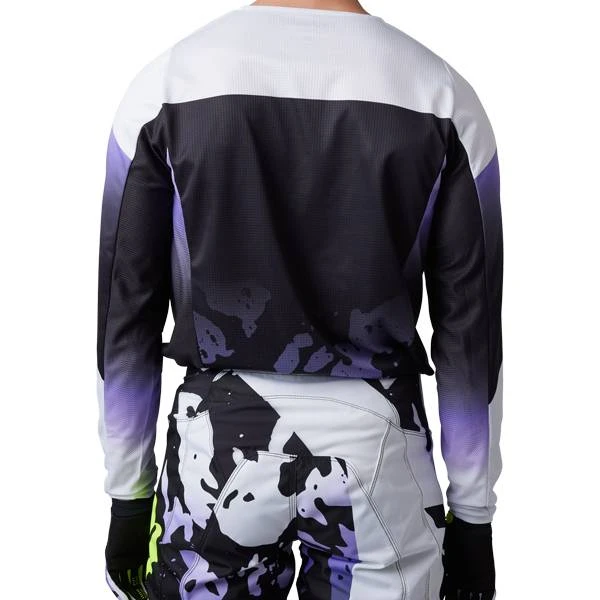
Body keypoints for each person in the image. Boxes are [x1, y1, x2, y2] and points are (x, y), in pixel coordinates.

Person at [96, 1, 503, 598]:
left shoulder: (167, 86)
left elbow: (126, 313)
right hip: (378, 445)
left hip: (215, 445)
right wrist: (473, 512)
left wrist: (128, 494)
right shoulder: (440, 95)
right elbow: (470, 332)